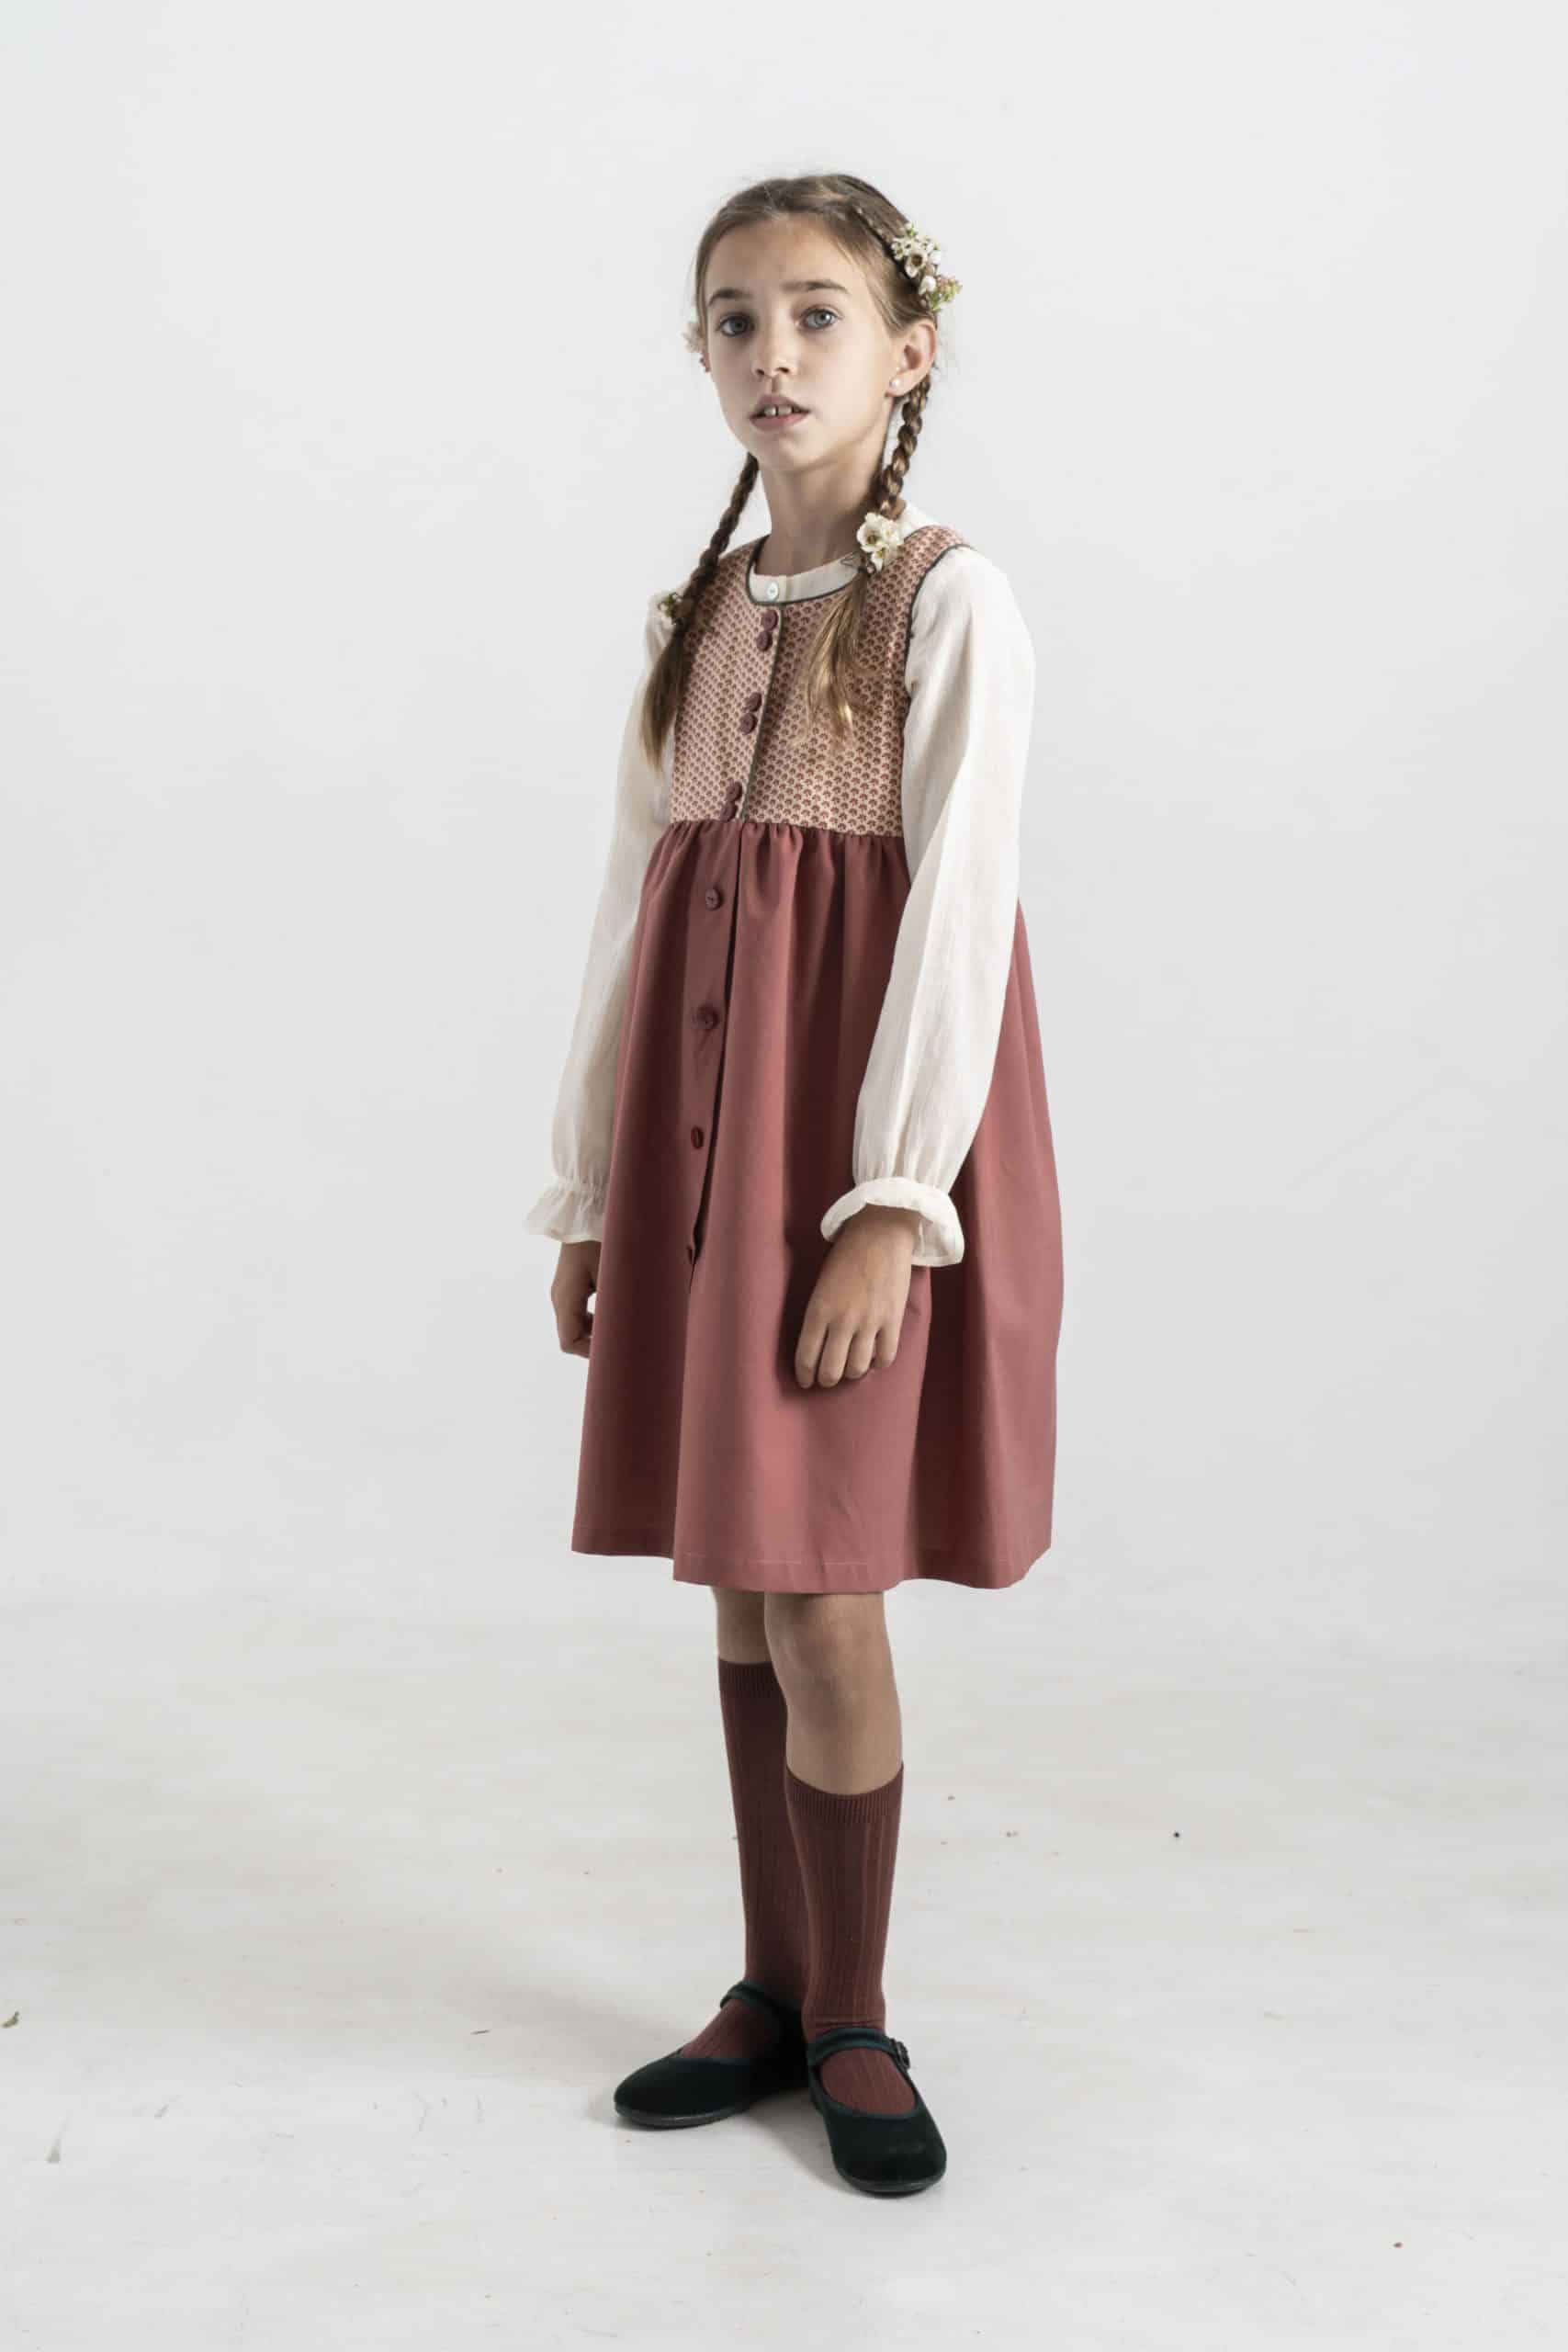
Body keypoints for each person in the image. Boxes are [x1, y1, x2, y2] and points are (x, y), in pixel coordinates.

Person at [525, 172, 1065, 2196]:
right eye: (737, 319)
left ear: (906, 350)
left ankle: (854, 2011)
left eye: (819, 314)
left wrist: (890, 1202)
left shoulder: (947, 603)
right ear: (700, 353)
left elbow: (958, 914)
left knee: (824, 1591)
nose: (776, 353)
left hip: (841, 1158)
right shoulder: (688, 624)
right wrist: (589, 1189)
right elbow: (631, 909)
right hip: (693, 1148)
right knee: (748, 1585)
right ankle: (769, 1984)